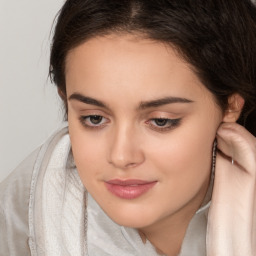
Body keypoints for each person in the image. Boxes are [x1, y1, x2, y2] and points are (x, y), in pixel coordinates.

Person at [1, 0, 256, 255]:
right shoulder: (31, 204)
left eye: (161, 121)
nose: (121, 156)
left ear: (230, 107)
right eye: (94, 118)